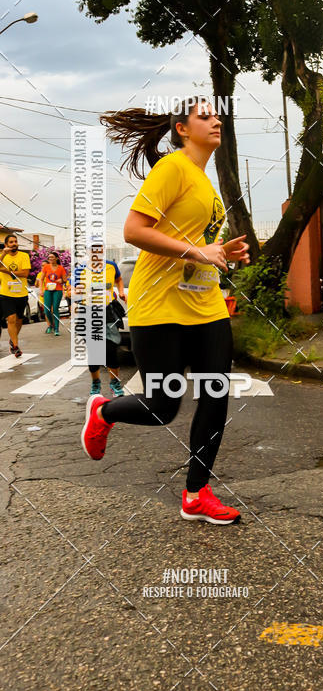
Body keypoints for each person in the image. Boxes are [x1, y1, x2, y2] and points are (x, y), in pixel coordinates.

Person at [80, 98, 250, 525]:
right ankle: (104, 411)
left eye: (217, 115)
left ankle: (196, 492)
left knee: (216, 395)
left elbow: (194, 245)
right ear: (181, 129)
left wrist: (222, 253)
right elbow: (135, 230)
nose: (216, 120)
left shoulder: (204, 183)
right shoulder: (172, 168)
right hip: (159, 305)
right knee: (162, 406)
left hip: (205, 303)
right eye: (204, 116)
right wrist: (199, 250)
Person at [73, 251, 127, 397]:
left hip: (108, 312)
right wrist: (77, 292)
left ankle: (115, 384)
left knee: (110, 350)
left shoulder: (111, 266)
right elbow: (73, 288)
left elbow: (119, 279)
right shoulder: (81, 268)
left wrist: (121, 292)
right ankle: (96, 383)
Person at [0, 233, 31, 358]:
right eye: (11, 242)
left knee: (19, 320)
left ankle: (13, 340)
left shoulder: (24, 256)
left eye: (15, 241)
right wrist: (3, 254)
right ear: (6, 245)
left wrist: (6, 270)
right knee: (11, 319)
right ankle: (16, 346)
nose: (14, 244)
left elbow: (25, 273)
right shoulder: (2, 257)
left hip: (21, 293)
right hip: (6, 294)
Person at [40, 251, 67, 335]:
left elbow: (65, 280)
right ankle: (51, 325)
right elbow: (41, 279)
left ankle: (56, 329)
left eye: (52, 257)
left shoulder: (61, 268)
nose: (50, 259)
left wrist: (61, 280)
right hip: (48, 290)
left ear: (57, 258)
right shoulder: (46, 267)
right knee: (46, 310)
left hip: (57, 290)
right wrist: (41, 290)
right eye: (49, 257)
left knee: (55, 309)